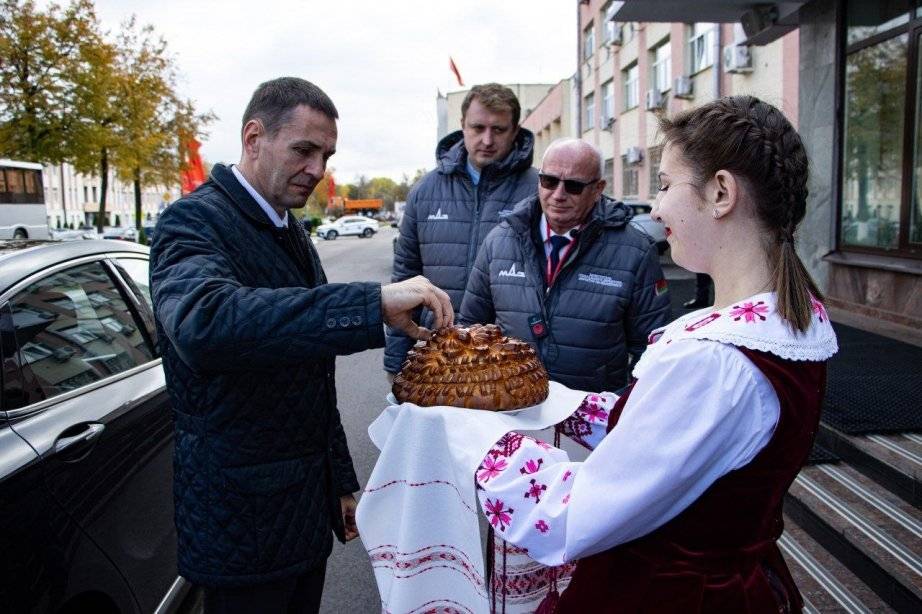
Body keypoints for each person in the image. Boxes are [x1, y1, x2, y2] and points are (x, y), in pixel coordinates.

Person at [469, 96, 838, 612]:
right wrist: (559, 402)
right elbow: (668, 439)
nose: (657, 207)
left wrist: (474, 442)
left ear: (721, 192)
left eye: (665, 185)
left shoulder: (714, 361)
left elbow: (572, 517)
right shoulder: (781, 324)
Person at [149, 77, 452, 614]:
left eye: (326, 155)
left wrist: (339, 481)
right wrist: (371, 303)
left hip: (301, 514)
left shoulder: (290, 230)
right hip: (240, 526)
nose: (318, 169)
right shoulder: (192, 221)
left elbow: (310, 375)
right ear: (253, 138)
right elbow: (205, 323)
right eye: (304, 150)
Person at [460, 138, 671, 393]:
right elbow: (470, 329)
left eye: (573, 186)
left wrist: (622, 410)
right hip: (512, 409)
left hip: (591, 416)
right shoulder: (499, 242)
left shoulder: (635, 251)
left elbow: (651, 351)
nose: (558, 195)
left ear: (597, 189)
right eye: (549, 181)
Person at [385, 83, 538, 379]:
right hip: (440, 352)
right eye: (477, 127)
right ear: (462, 126)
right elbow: (404, 279)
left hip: (510, 358)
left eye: (499, 129)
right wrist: (395, 360)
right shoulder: (425, 191)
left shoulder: (539, 191)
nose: (487, 139)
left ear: (515, 130)